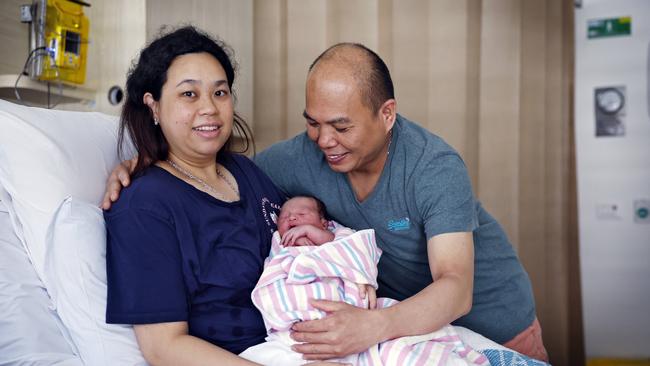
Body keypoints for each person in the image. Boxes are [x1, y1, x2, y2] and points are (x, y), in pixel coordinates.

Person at [103, 42, 548, 362]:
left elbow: (456, 287)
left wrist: (370, 327)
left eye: (341, 126)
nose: (325, 142)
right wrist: (145, 158)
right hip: (361, 335)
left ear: (386, 114)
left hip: (488, 323)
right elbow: (196, 168)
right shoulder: (289, 161)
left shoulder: (433, 167)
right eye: (313, 124)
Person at [103, 26, 288, 365]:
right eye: (189, 94)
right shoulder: (144, 206)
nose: (210, 109)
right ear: (153, 106)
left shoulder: (246, 172)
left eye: (220, 93)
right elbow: (164, 348)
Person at [243, 196, 488, 366]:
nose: (292, 219)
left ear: (324, 223)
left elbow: (357, 249)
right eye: (285, 216)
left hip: (351, 312)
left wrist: (320, 238)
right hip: (299, 326)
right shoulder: (280, 244)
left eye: (301, 214)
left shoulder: (338, 237)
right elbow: (273, 274)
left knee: (401, 352)